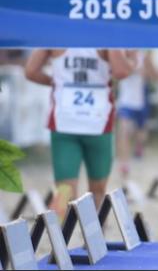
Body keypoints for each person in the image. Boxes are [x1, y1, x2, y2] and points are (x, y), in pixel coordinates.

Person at [24, 48, 132, 216]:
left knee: (64, 191)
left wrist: (57, 81)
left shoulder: (57, 34)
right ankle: (95, 238)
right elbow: (122, 71)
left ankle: (58, 239)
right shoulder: (104, 34)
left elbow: (31, 71)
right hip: (94, 123)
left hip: (70, 123)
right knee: (97, 191)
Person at [116, 50, 158, 178]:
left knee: (141, 134)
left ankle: (139, 148)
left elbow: (156, 77)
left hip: (140, 102)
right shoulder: (120, 55)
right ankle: (124, 163)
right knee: (124, 131)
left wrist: (147, 71)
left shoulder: (143, 57)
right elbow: (116, 74)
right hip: (125, 102)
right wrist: (130, 70)